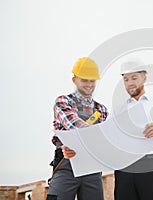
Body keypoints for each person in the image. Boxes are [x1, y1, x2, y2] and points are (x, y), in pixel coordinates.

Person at [114, 59, 153, 200]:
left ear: (144, 78)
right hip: (124, 168)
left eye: (134, 78)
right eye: (126, 79)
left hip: (150, 166)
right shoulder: (118, 111)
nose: (130, 83)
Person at [46, 57, 108, 200]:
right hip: (66, 163)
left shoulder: (102, 109)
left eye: (92, 80)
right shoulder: (63, 101)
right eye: (84, 80)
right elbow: (74, 126)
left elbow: (104, 140)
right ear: (75, 80)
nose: (89, 84)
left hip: (92, 167)